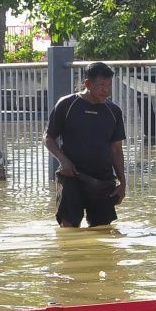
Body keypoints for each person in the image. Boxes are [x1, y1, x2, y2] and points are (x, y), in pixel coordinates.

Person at [44, 61, 127, 228]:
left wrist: (123, 183)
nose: (106, 90)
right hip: (72, 176)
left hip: (102, 179)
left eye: (109, 85)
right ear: (87, 84)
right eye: (101, 85)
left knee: (103, 230)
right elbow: (48, 137)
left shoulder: (114, 111)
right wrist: (63, 161)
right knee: (68, 229)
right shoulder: (67, 104)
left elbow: (116, 150)